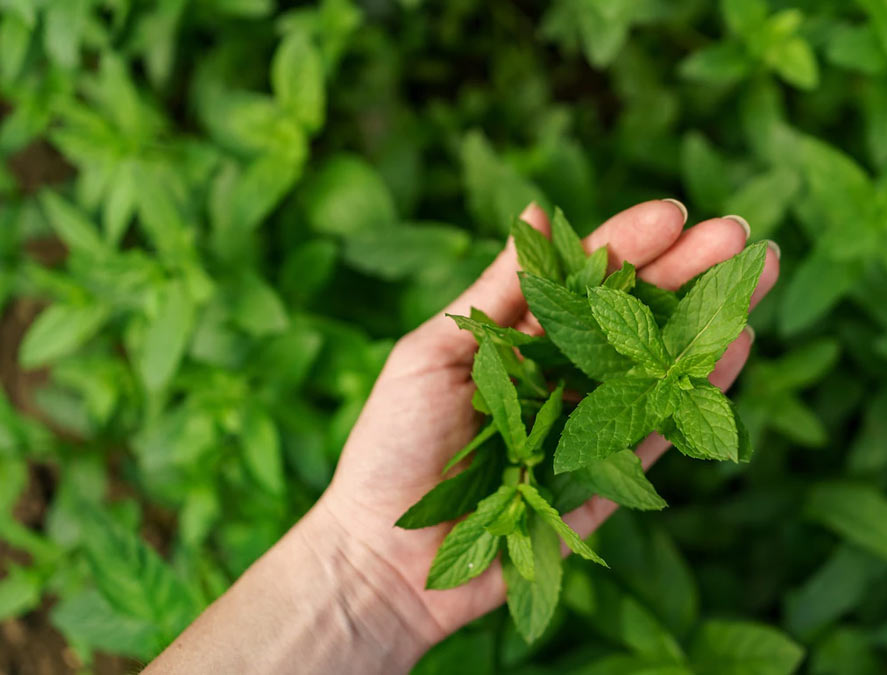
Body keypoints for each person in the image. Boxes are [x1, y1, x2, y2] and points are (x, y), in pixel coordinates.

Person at [143, 200, 781, 673]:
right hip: (569, 412)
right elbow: (581, 427)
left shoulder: (657, 386)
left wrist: (355, 573)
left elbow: (592, 417)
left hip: (620, 378)